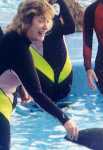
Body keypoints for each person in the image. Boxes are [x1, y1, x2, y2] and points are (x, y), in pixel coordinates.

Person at [0, 0, 78, 149]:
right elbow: (37, 94)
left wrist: (21, 87)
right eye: (41, 20)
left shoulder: (15, 38)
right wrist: (65, 120)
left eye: (48, 21)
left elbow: (8, 65)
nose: (46, 26)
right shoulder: (20, 49)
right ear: (27, 21)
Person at [19, 0, 75, 102]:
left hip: (62, 73)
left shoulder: (50, 11)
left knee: (55, 107)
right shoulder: (31, 9)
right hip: (46, 72)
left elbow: (71, 28)